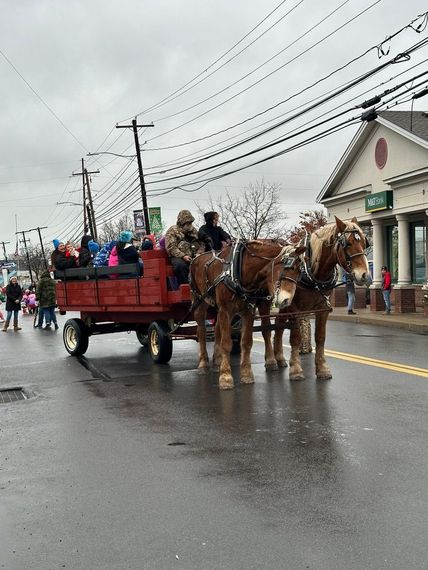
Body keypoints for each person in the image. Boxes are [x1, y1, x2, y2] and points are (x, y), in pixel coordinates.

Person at [165, 210, 206, 285]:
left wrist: (199, 253)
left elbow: (201, 243)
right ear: (182, 223)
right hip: (178, 256)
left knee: (205, 263)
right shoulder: (173, 231)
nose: (190, 225)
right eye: (188, 223)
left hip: (194, 255)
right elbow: (171, 247)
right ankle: (186, 287)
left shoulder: (193, 230)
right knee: (180, 266)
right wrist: (183, 256)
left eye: (190, 222)